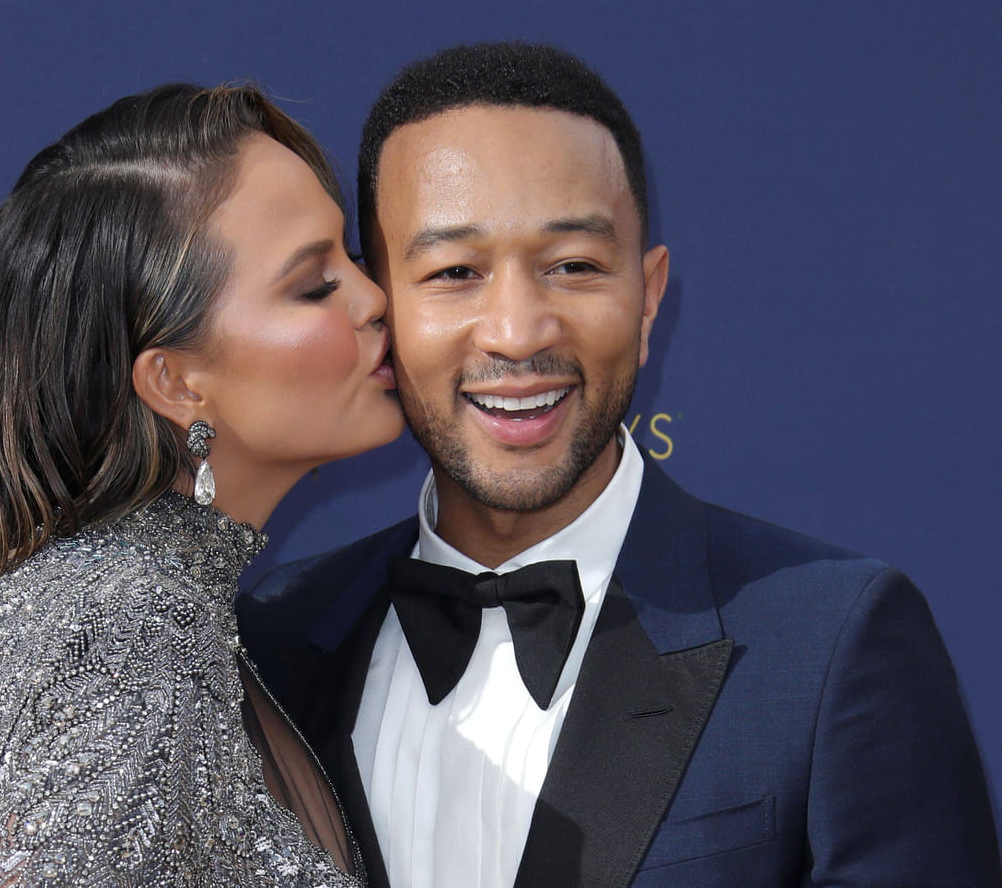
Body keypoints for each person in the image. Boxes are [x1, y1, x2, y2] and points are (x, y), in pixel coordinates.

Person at [237, 43, 1001, 888]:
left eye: (573, 267)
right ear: (376, 305)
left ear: (648, 299)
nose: (517, 333)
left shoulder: (828, 645)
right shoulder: (265, 642)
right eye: (454, 272)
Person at [0, 82, 404, 887]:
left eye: (351, 257)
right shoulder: (119, 628)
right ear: (174, 383)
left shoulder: (154, 614)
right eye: (315, 285)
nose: (375, 297)